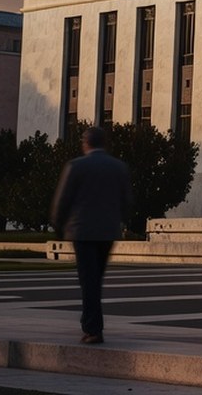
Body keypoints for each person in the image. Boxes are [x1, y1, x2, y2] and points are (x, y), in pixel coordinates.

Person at [51, 125, 132, 345]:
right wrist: (122, 221)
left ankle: (93, 328)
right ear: (104, 143)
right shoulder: (118, 167)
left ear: (86, 143)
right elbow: (126, 201)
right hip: (107, 231)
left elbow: (63, 199)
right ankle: (93, 325)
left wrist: (58, 224)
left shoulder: (76, 166)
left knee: (89, 281)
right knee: (96, 279)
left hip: (83, 231)